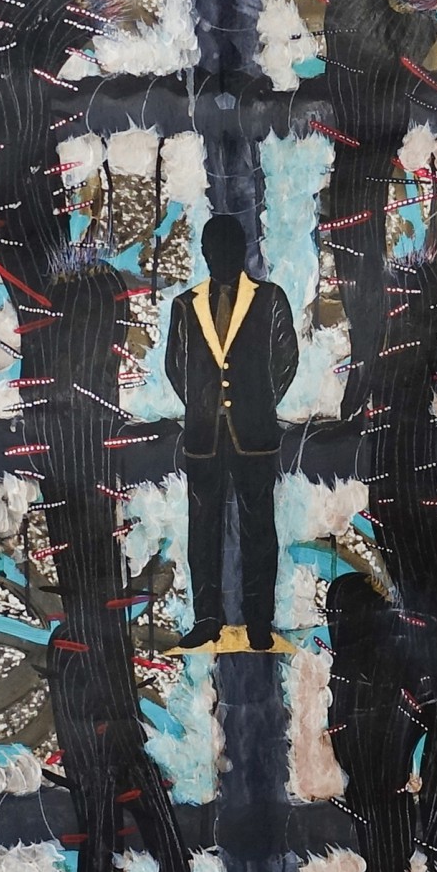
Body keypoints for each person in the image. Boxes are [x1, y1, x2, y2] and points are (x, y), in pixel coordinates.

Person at [164, 215, 299, 651]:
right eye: (213, 251)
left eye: (229, 250)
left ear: (243, 252)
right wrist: (202, 407)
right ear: (204, 255)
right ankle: (207, 619)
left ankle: (259, 620)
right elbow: (175, 366)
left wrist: (260, 402)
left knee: (259, 528)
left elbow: (286, 358)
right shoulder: (185, 305)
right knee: (202, 529)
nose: (221, 258)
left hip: (255, 436)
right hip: (204, 439)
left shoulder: (270, 298)